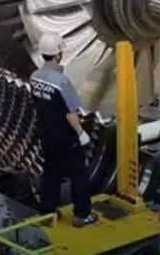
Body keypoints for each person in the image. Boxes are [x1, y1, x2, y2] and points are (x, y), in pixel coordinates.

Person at [30, 34, 97, 227]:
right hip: (65, 137)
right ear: (58, 55)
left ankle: (47, 214)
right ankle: (83, 215)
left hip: (46, 135)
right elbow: (70, 113)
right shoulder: (61, 81)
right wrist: (81, 133)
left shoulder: (35, 77)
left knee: (51, 173)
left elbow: (37, 102)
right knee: (78, 173)